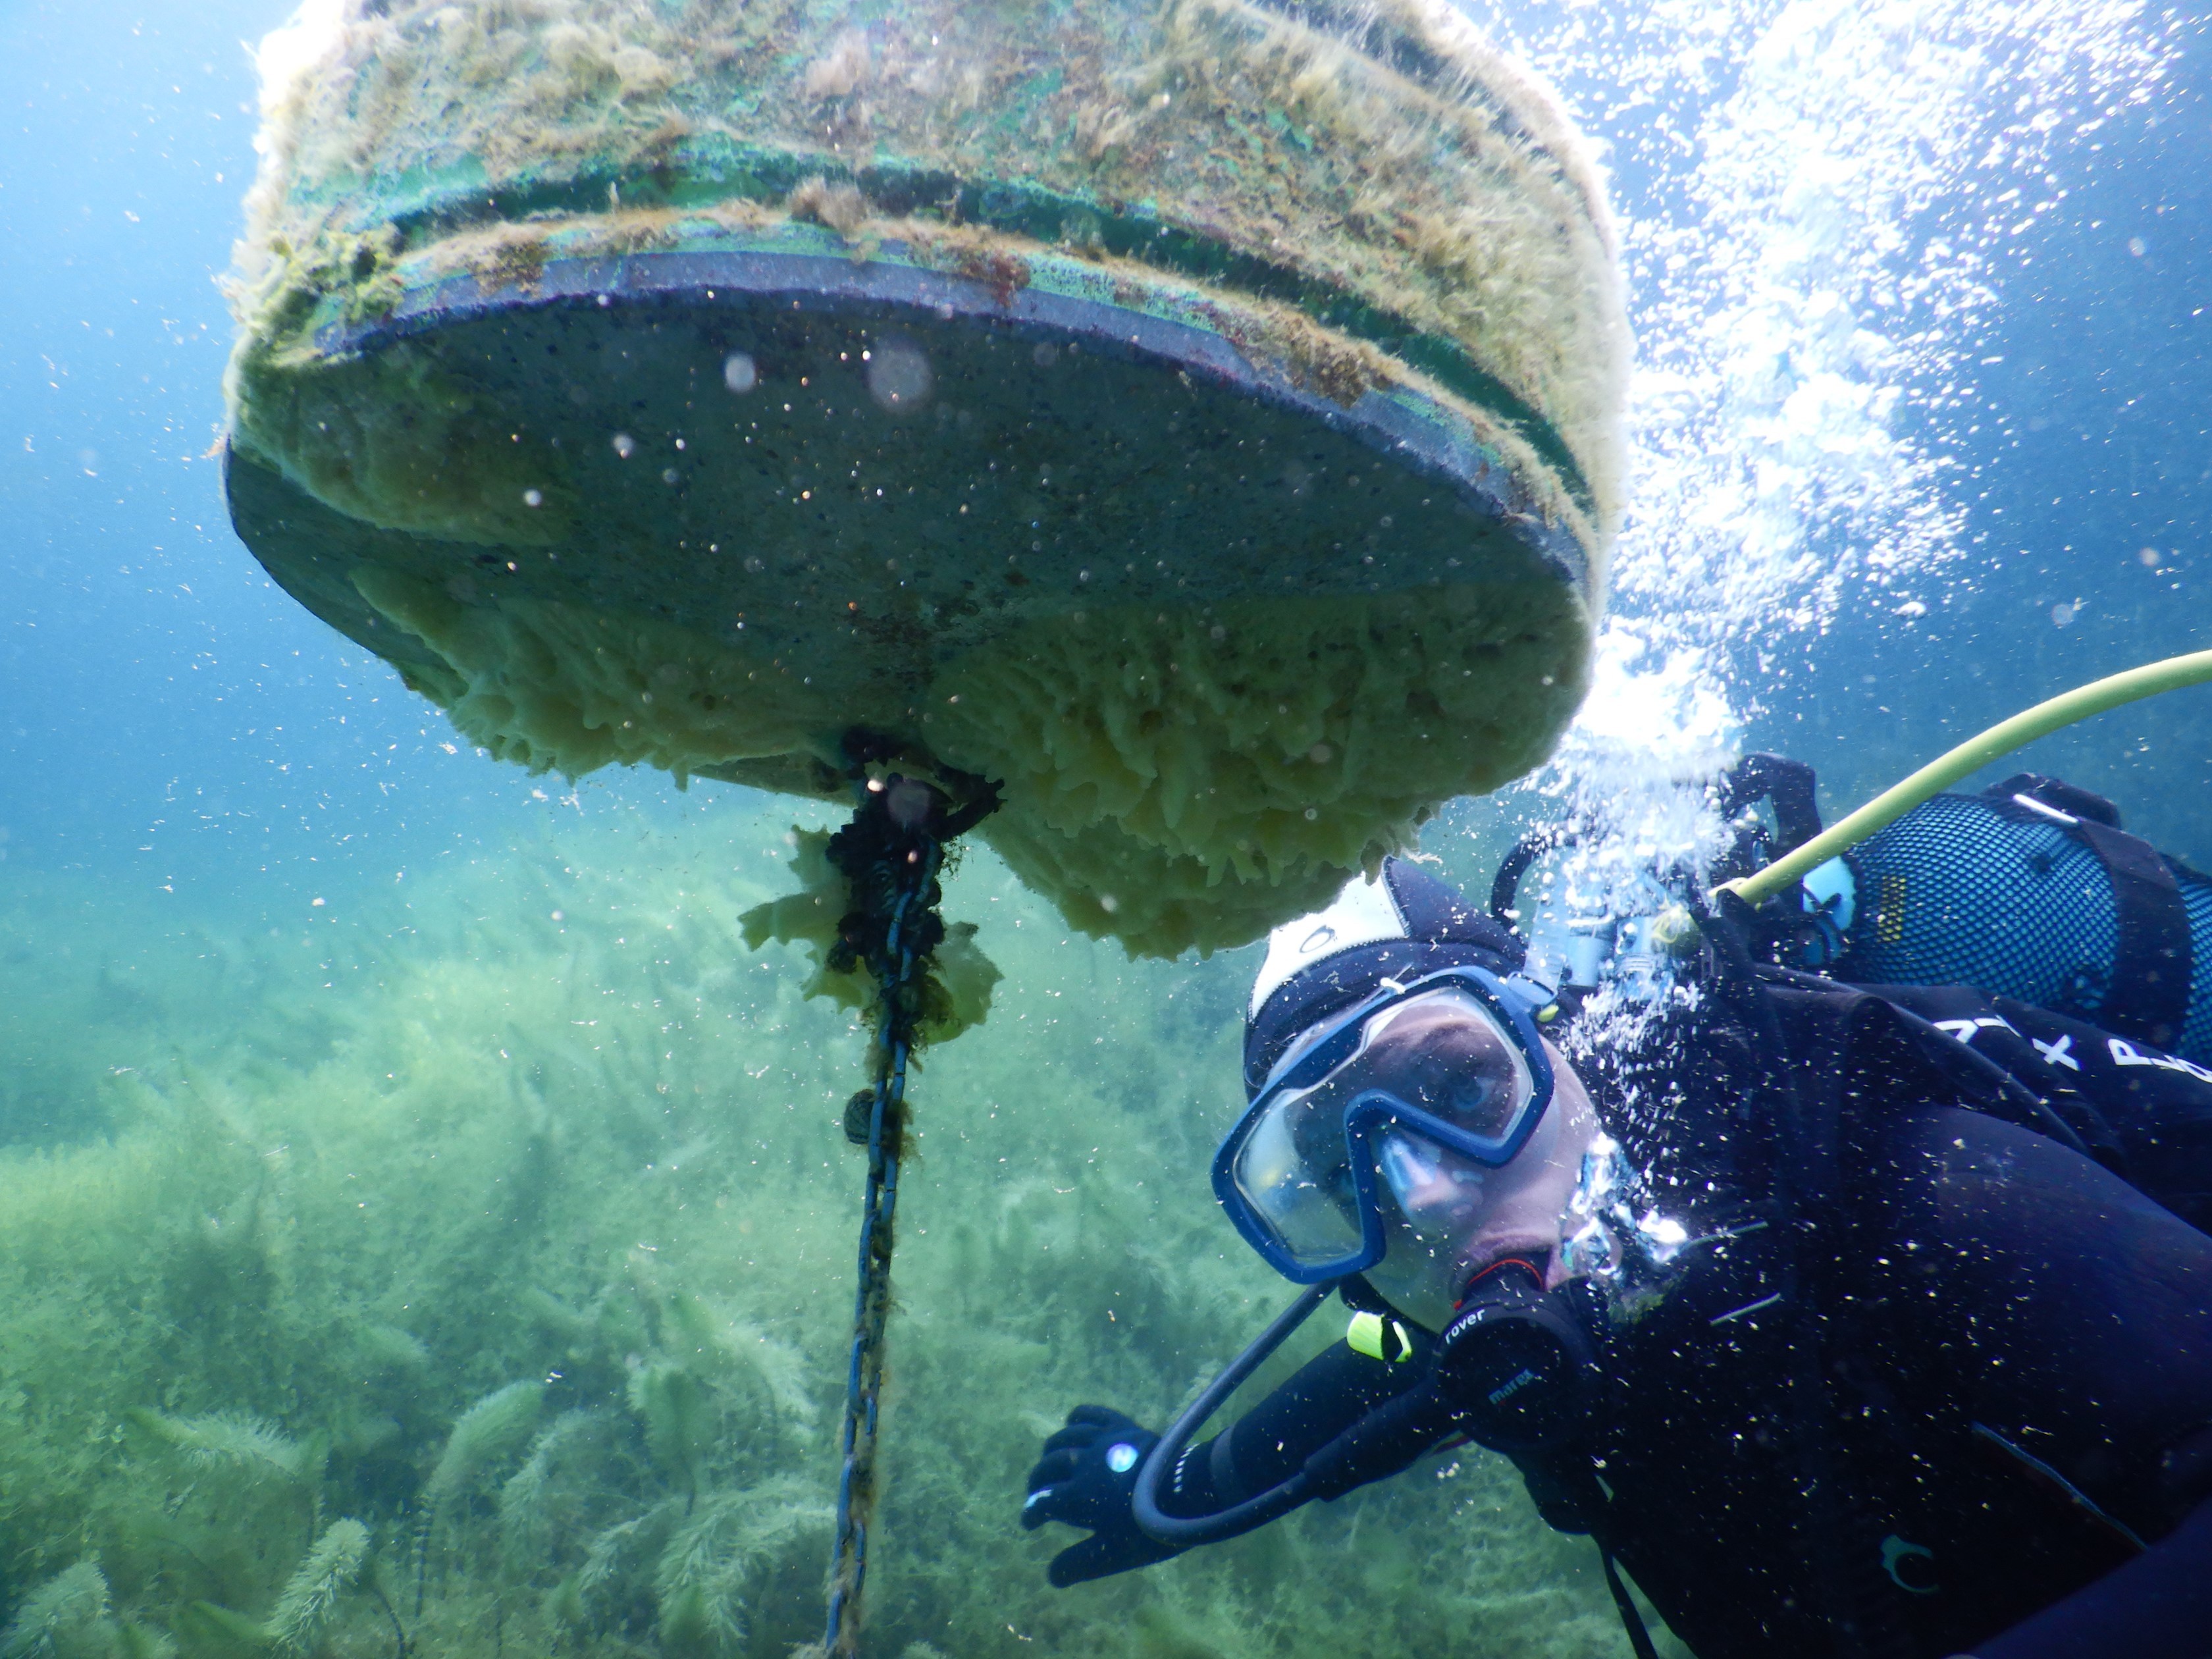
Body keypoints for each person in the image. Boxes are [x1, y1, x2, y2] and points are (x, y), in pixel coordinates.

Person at [1019, 843, 2212, 1659]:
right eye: (1339, 1171)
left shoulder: (1894, 1180)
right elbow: (1388, 1386)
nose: (1425, 1195)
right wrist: (1171, 1489)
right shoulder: (1526, 1311)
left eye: (1459, 1083)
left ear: (1572, 1046)